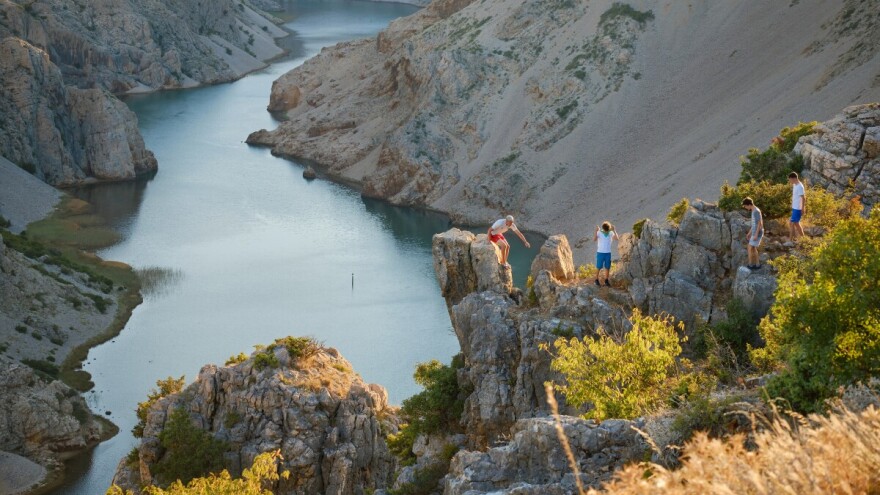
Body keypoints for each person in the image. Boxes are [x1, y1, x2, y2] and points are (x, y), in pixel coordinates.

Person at [593, 221, 619, 287]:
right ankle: (596, 280)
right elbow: (594, 239)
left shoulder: (610, 233)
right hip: (600, 252)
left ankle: (606, 280)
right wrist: (596, 231)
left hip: (607, 253)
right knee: (599, 266)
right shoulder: (599, 232)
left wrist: (614, 230)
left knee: (607, 267)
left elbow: (617, 238)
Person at [742, 197, 763, 270]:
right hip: (754, 232)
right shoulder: (753, 210)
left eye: (745, 206)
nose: (745, 207)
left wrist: (756, 235)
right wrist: (749, 233)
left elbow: (759, 223)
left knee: (749, 247)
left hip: (757, 233)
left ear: (749, 204)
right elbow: (754, 224)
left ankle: (750, 265)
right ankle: (757, 265)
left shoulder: (756, 211)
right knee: (753, 248)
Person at [788, 171, 806, 240]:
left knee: (792, 223)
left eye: (790, 179)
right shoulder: (795, 185)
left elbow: (803, 197)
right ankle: (803, 238)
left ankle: (790, 240)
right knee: (796, 223)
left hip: (798, 208)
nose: (790, 181)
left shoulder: (800, 187)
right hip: (794, 207)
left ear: (794, 178)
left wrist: (803, 208)